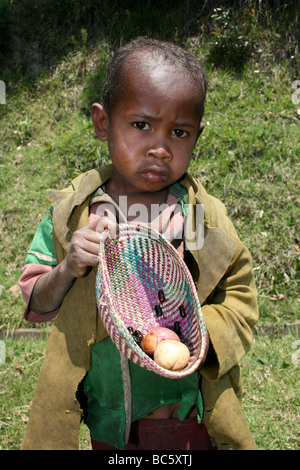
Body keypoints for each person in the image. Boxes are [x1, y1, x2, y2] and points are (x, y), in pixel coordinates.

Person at [19, 37, 259, 450]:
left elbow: (241, 301)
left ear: (196, 137)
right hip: (106, 417)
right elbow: (36, 302)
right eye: (141, 125)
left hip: (183, 415)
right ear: (101, 122)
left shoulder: (198, 216)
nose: (160, 148)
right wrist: (68, 268)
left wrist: (187, 278)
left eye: (179, 132)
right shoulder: (76, 214)